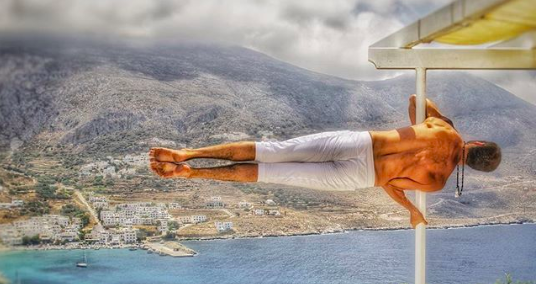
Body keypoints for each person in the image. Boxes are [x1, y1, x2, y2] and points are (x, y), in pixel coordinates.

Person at [149, 95, 501, 228]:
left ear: (477, 143)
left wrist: (424, 128)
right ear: (471, 167)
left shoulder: (442, 127)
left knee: (273, 149)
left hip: (360, 141)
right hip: (361, 175)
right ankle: (192, 173)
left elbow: (415, 100)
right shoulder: (438, 180)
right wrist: (411, 210)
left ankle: (187, 153)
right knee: (273, 172)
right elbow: (392, 185)